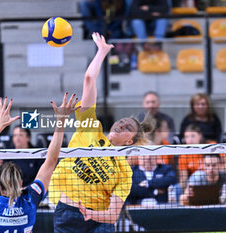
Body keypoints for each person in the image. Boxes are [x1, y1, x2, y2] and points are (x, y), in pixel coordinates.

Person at [49, 32, 154, 233]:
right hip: (68, 213)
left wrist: (91, 215)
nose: (122, 125)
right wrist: (102, 52)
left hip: (99, 221)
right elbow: (89, 80)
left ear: (130, 142)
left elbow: (113, 214)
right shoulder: (91, 129)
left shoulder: (124, 171)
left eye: (128, 128)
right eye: (122, 121)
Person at [0, 94, 77, 233]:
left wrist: (0, 125)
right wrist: (61, 120)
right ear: (21, 182)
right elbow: (52, 160)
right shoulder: (30, 200)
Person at [178, 124, 205, 190]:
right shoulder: (183, 155)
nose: (190, 139)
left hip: (212, 180)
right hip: (193, 185)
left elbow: (225, 164)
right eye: (187, 137)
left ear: (200, 135)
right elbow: (183, 178)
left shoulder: (211, 146)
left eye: (193, 136)